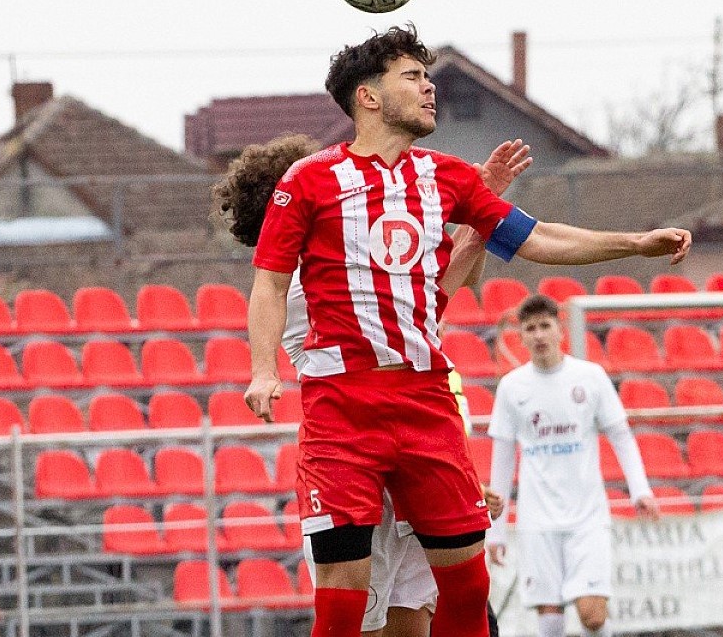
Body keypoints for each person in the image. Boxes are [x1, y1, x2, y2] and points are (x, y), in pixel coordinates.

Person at [242, 24, 691, 637]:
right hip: (342, 406)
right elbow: (269, 282)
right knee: (343, 605)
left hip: (425, 402)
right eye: (412, 77)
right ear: (368, 97)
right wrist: (262, 370)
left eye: (428, 76)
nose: (430, 88)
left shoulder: (446, 177)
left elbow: (534, 237)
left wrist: (634, 243)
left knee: (470, 588)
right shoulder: (309, 180)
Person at [213, 133, 526, 636]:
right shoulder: (307, 280)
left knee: (416, 620)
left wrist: (475, 212)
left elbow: (436, 293)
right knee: (367, 627)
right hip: (359, 471)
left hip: (414, 453)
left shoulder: (359, 259)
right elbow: (435, 290)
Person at [486, 295, 658, 637]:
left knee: (593, 615)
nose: (539, 335)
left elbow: (621, 436)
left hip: (587, 518)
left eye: (545, 326)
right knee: (549, 616)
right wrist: (497, 530)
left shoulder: (590, 377)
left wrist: (641, 490)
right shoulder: (512, 387)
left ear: (560, 330)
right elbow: (502, 458)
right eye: (530, 328)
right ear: (521, 337)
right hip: (537, 520)